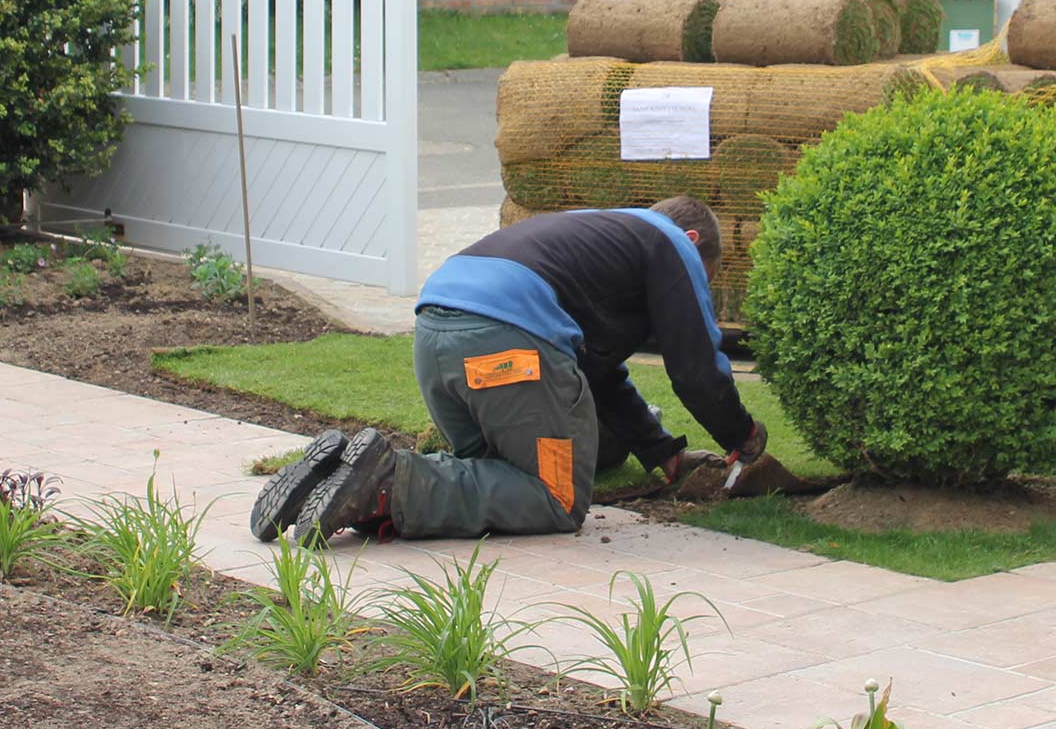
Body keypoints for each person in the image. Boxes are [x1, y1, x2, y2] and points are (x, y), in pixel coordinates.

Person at [249, 196, 767, 547]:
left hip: (434, 337)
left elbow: (600, 376)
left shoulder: (598, 235)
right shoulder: (669, 243)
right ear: (693, 239)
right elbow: (696, 368)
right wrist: (742, 435)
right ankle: (388, 480)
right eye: (706, 277)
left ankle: (342, 473)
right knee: (556, 499)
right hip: (506, 348)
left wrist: (664, 454)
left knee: (495, 477)